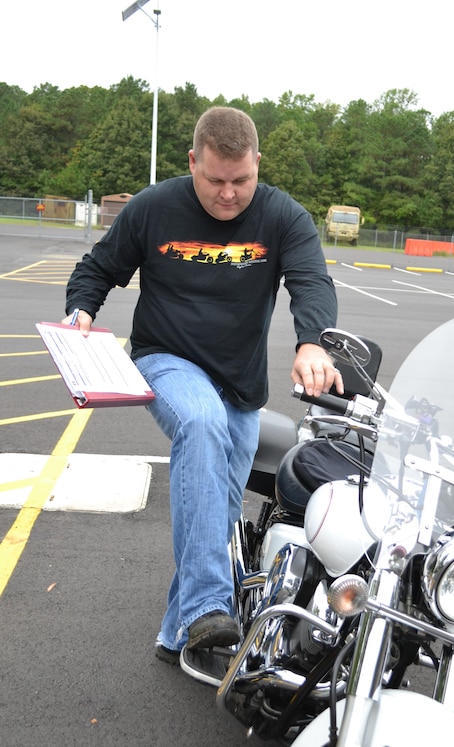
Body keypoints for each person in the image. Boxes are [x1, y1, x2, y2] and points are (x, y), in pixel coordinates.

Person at [62, 106, 343, 670]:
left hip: (238, 384)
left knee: (216, 507)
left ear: (257, 164)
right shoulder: (154, 208)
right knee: (199, 423)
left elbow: (312, 280)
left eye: (241, 180)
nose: (228, 194)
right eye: (214, 179)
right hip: (166, 360)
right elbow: (96, 269)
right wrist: (80, 315)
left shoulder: (283, 216)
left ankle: (178, 640)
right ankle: (208, 608)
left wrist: (313, 341)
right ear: (192, 161)